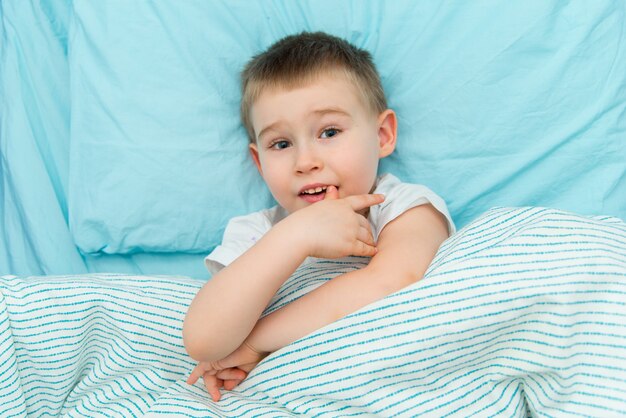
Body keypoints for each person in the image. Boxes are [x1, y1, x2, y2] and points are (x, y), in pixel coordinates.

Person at [183, 31, 455, 402]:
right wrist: (295, 236)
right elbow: (204, 340)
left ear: (382, 135)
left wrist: (255, 343)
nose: (305, 162)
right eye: (281, 144)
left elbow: (395, 281)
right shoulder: (257, 233)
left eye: (329, 132)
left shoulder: (402, 206)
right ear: (259, 162)